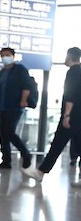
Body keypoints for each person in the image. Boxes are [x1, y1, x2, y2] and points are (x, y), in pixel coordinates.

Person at [23, 47, 81, 183]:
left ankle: (41, 171)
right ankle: (41, 171)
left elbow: (70, 95)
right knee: (78, 144)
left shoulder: (73, 72)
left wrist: (67, 115)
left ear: (69, 56)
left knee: (58, 143)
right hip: (79, 116)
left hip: (72, 115)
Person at [0, 46, 33, 169]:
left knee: (10, 132)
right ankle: (6, 161)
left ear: (13, 56)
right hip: (2, 107)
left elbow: (26, 86)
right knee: (2, 134)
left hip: (15, 106)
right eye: (2, 55)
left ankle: (26, 154)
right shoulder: (1, 73)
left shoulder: (20, 70)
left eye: (7, 55)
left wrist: (24, 99)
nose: (4, 58)